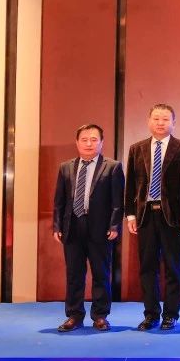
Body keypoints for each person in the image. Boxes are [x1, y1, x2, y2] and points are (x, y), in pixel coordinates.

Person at [124, 104, 180, 331]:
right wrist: (130, 215)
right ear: (149, 121)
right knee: (147, 268)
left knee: (173, 267)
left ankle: (171, 314)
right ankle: (151, 314)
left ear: (174, 123)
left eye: (165, 119)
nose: (160, 123)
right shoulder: (137, 149)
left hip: (173, 216)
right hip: (145, 215)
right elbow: (131, 184)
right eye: (156, 118)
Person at [52, 124, 123, 332]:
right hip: (72, 227)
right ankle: (74, 315)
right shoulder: (65, 167)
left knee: (101, 273)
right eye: (84, 139)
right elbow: (59, 200)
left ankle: (100, 315)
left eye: (94, 139)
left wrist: (114, 225)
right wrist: (57, 225)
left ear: (101, 142)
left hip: (101, 229)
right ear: (77, 142)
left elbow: (118, 201)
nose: (89, 143)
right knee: (74, 274)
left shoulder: (112, 167)